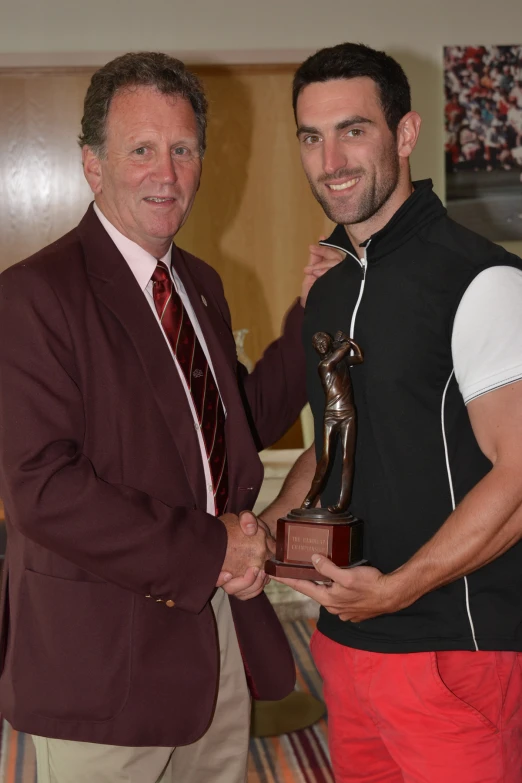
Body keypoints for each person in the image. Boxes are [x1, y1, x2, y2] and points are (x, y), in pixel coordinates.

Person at [0, 52, 340, 783]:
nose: (167, 173)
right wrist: (211, 547)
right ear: (93, 165)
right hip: (101, 667)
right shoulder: (34, 296)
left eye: (183, 149)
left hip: (210, 642)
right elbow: (42, 489)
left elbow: (233, 424)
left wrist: (314, 314)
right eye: (142, 150)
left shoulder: (199, 285)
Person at [262, 42, 522, 782]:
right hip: (346, 648)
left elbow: (519, 472)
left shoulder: (481, 279)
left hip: (453, 651)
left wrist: (401, 586)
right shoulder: (333, 285)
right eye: (311, 137)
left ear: (405, 134)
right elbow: (332, 440)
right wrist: (273, 531)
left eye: (354, 130)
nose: (330, 159)